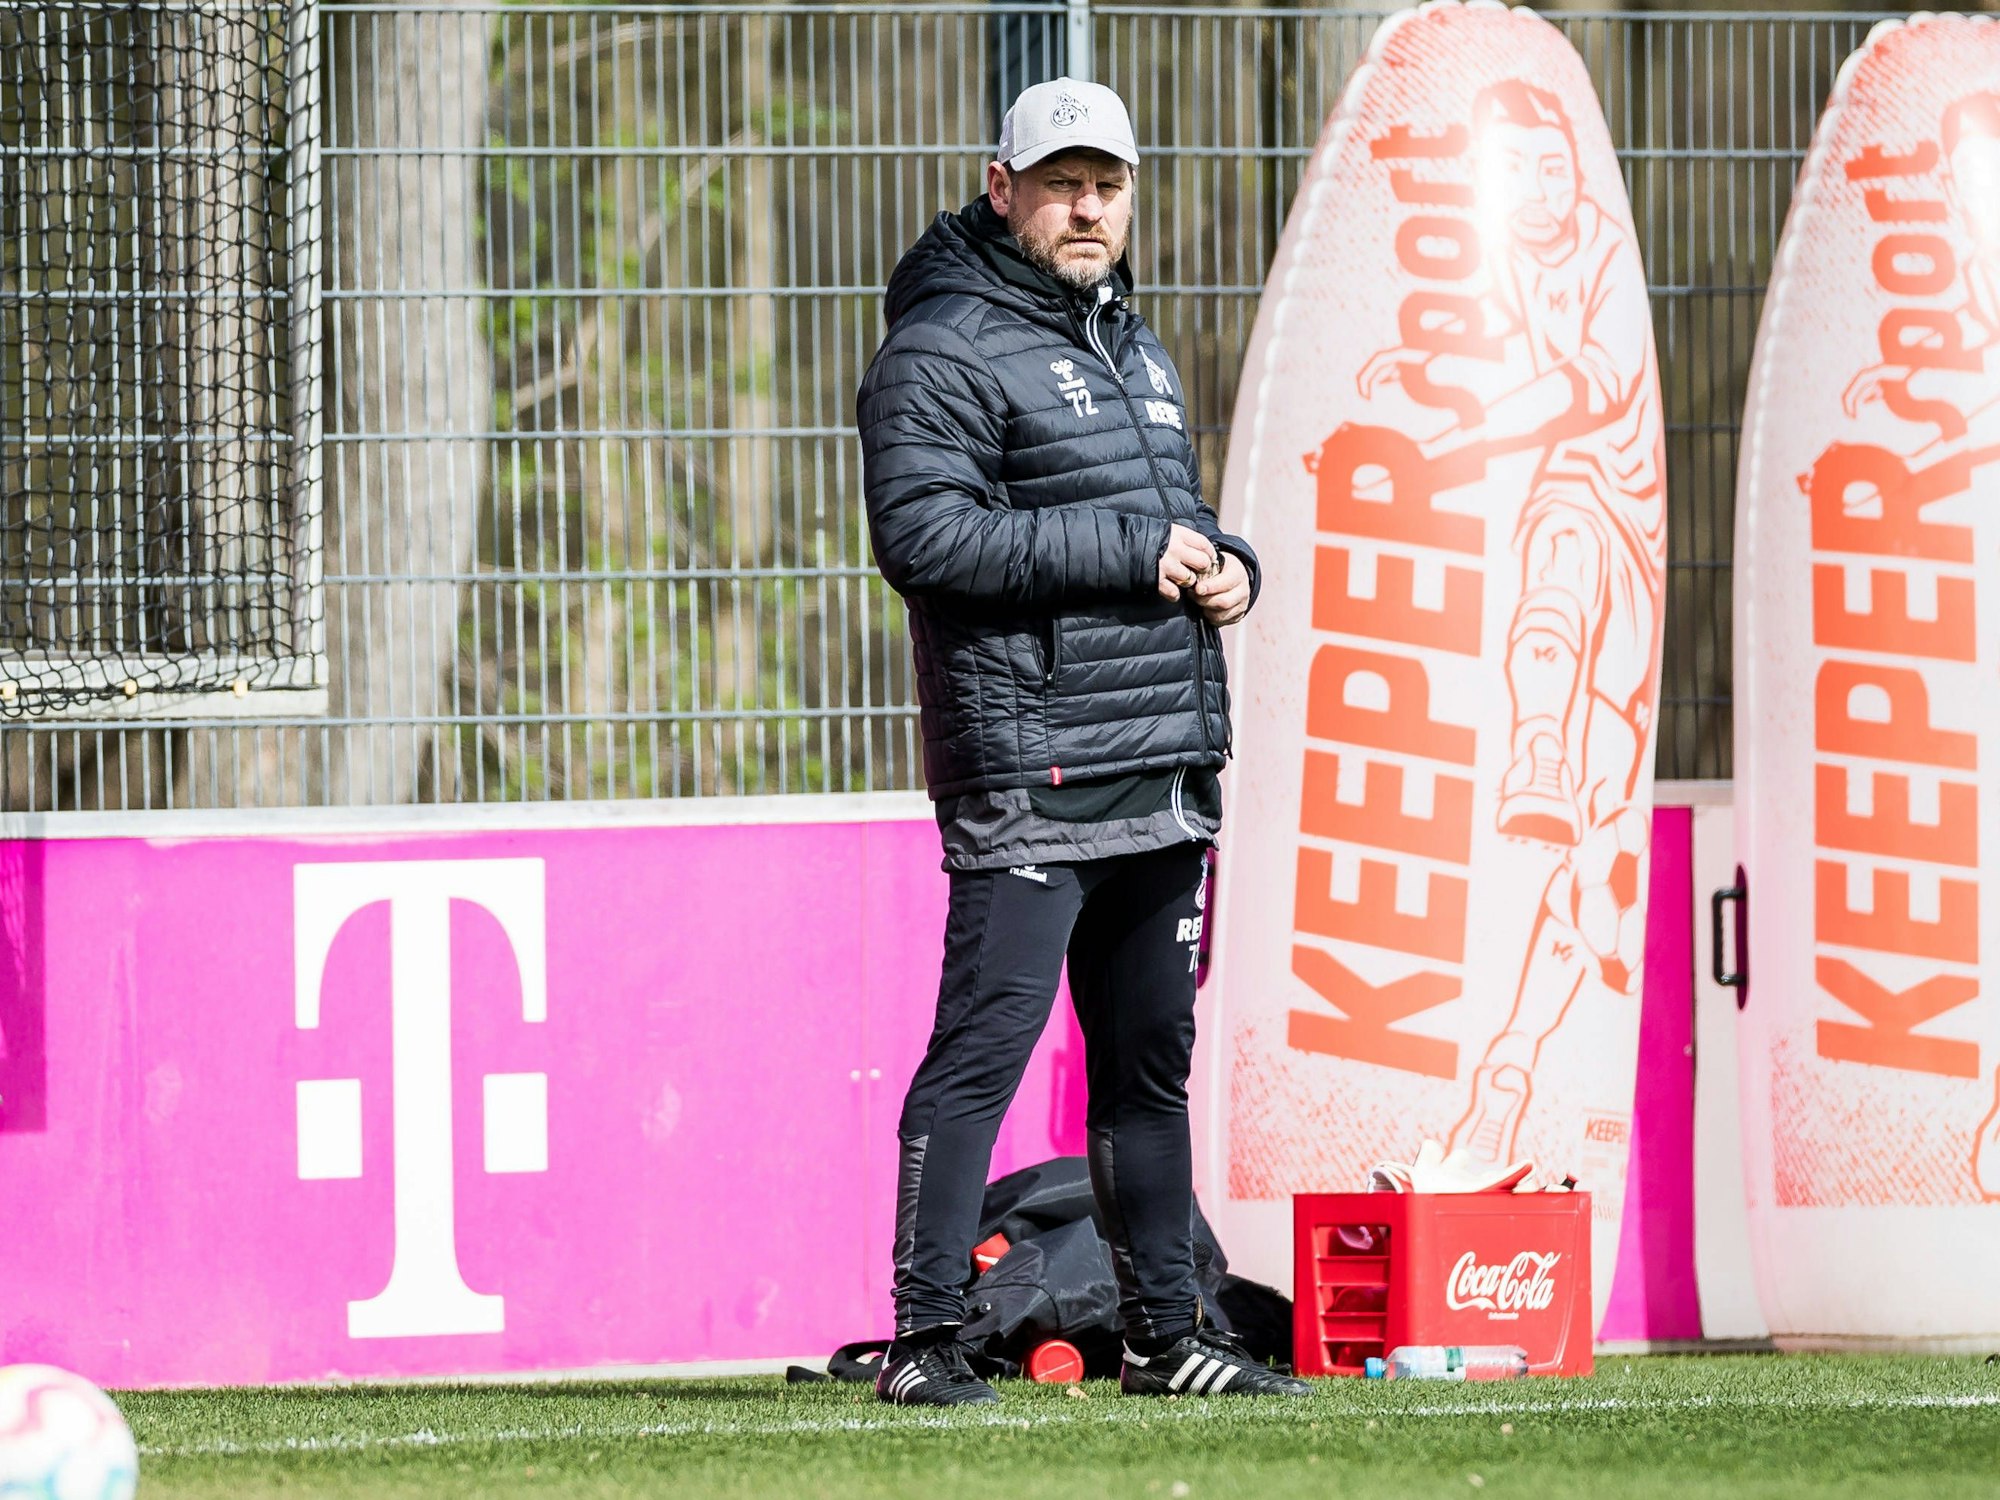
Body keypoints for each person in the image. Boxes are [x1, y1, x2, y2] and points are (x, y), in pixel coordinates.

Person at [855, 77, 1305, 1406]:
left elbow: (1164, 518)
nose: (1087, 205)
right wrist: (1138, 551)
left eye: (1106, 181)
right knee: (981, 1056)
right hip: (1035, 774)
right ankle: (926, 1342)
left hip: (1159, 767)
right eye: (1060, 182)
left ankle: (1169, 1341)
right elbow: (925, 542)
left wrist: (1231, 564)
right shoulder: (939, 347)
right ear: (1002, 191)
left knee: (1148, 1074)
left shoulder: (1135, 348)